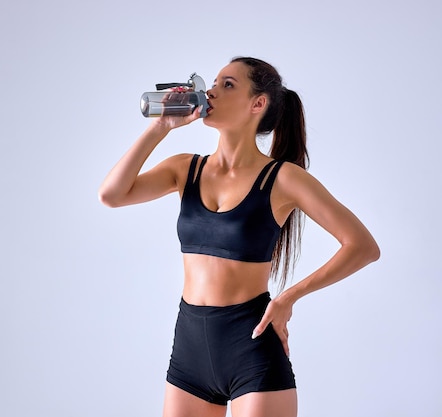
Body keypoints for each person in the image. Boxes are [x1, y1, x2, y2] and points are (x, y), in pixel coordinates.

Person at [98, 56, 380, 417]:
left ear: (257, 104)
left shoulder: (283, 179)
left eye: (227, 84)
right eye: (213, 82)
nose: (212, 91)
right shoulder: (186, 168)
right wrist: (161, 128)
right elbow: (112, 195)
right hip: (188, 350)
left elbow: (363, 247)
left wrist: (288, 298)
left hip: (252, 347)